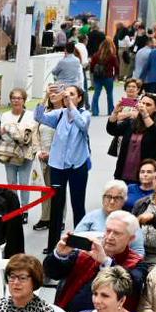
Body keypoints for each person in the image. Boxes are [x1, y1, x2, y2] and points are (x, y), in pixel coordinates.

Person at [46, 211, 148, 312]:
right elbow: (52, 273)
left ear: (131, 239)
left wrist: (106, 262)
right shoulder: (85, 253)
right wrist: (60, 254)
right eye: (108, 231)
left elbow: (132, 286)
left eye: (117, 233)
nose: (110, 237)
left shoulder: (137, 263)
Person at [35, 82, 94, 242]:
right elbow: (39, 117)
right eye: (66, 93)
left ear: (80, 98)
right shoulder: (59, 114)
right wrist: (46, 95)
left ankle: (79, 243)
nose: (67, 96)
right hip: (58, 166)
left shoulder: (85, 114)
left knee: (78, 205)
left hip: (77, 165)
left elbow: (82, 125)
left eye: (72, 94)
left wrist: (70, 105)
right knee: (56, 206)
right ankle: (53, 244)